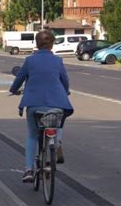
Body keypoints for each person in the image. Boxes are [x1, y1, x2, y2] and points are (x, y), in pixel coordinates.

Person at [9, 30, 74, 183]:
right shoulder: (58, 61)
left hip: (34, 103)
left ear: (36, 44)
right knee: (59, 120)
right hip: (56, 103)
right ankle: (57, 142)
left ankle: (29, 169)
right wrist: (65, 92)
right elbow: (65, 80)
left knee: (32, 135)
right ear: (52, 44)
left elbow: (19, 78)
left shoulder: (30, 60)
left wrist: (13, 90)